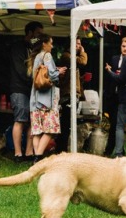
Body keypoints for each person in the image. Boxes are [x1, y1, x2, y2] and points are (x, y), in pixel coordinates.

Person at [27, 34, 67, 163]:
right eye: (51, 43)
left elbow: (41, 74)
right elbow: (52, 76)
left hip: (35, 99)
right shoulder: (47, 55)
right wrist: (59, 72)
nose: (52, 45)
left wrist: (55, 70)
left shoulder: (36, 57)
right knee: (50, 129)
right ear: (44, 44)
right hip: (46, 100)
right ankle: (38, 157)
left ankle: (36, 158)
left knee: (37, 131)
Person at [9, 21, 43, 162]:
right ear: (30, 33)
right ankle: (18, 153)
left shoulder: (35, 48)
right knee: (20, 120)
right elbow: (21, 71)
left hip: (32, 90)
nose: (40, 37)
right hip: (19, 89)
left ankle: (29, 152)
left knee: (32, 121)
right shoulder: (18, 48)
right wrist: (37, 79)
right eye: (38, 34)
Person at [55, 36, 88, 153]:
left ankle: (62, 148)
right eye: (76, 43)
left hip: (73, 93)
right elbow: (82, 61)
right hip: (68, 94)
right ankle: (60, 149)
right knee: (66, 123)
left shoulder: (71, 56)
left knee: (68, 122)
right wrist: (83, 52)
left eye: (79, 44)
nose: (78, 46)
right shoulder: (67, 56)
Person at [104, 36, 126, 156]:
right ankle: (119, 150)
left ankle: (110, 150)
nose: (125, 49)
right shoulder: (115, 59)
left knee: (117, 125)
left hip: (125, 97)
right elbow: (110, 79)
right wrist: (110, 72)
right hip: (112, 96)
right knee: (114, 124)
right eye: (123, 46)